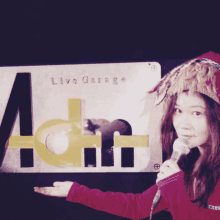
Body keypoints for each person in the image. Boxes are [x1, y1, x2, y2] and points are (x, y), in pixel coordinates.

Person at [34, 51, 220, 220]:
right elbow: (138, 206)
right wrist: (76, 191)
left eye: (197, 113)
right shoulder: (190, 168)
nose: (182, 124)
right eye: (178, 110)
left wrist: (175, 192)